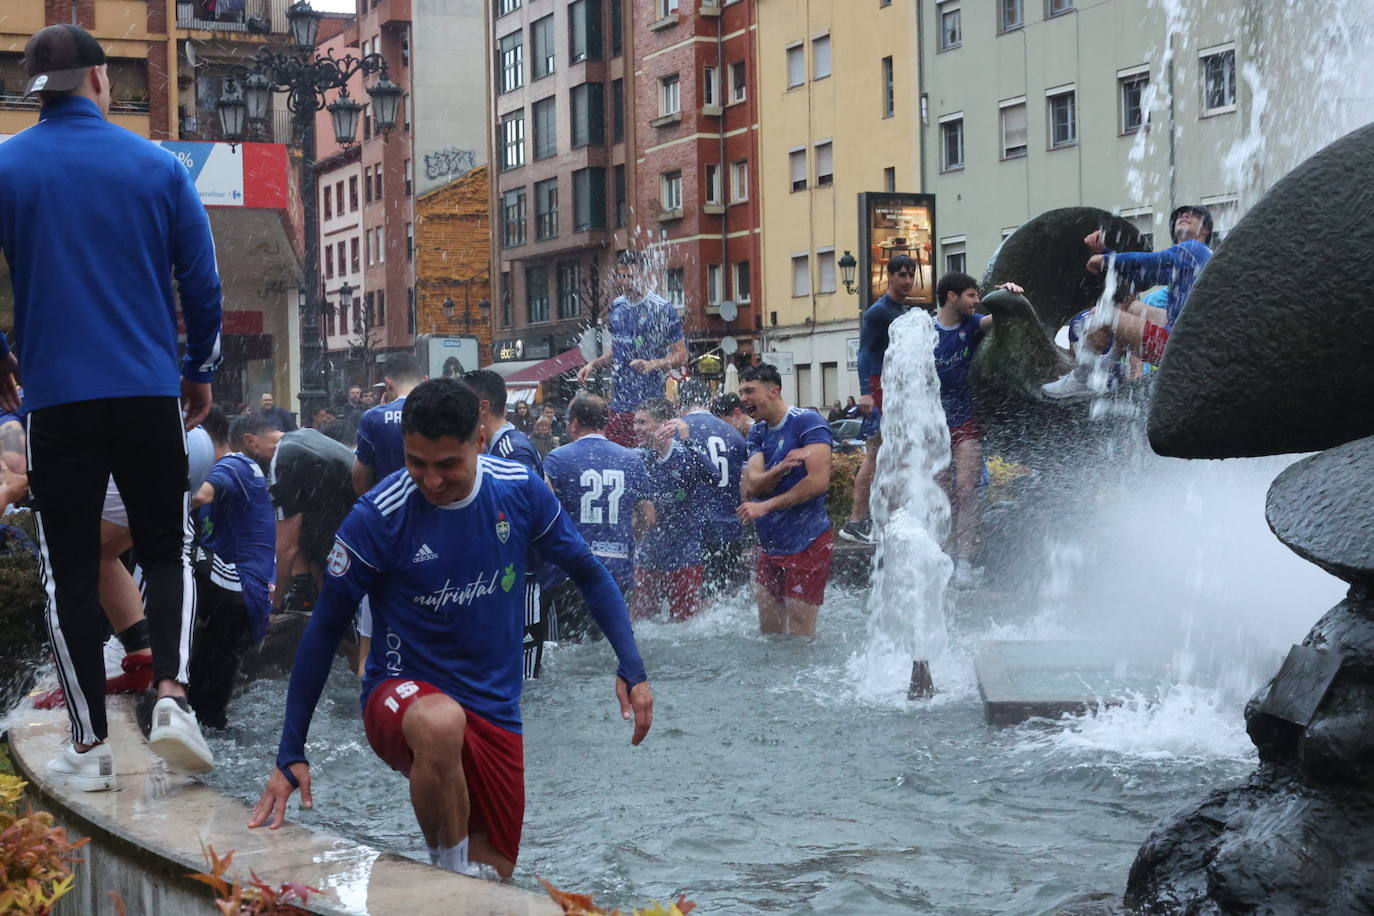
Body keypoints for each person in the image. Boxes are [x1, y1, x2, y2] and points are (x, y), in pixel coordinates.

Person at [246, 379, 653, 880]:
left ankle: (460, 879)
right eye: (417, 463)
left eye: (447, 465)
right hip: (401, 695)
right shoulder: (378, 516)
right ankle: (450, 880)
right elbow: (325, 630)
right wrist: (291, 751)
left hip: (494, 706)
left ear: (479, 441)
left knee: (498, 876)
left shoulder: (520, 491)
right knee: (440, 725)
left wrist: (631, 666)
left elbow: (590, 573)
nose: (431, 481)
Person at [0, 23, 223, 788]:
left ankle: (89, 747)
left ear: (37, 92)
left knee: (69, 569)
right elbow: (203, 284)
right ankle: (173, 697)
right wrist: (199, 369)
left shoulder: (6, 166)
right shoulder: (157, 167)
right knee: (167, 547)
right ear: (102, 83)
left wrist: (2, 359)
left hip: (56, 400)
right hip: (148, 389)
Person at [1042, 206, 1214, 400]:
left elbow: (1152, 261)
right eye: (1180, 215)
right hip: (1184, 343)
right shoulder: (1190, 262)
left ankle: (1084, 377)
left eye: (1194, 215)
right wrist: (1105, 252)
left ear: (1205, 229)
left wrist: (1107, 259)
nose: (1184, 216)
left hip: (1178, 346)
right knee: (1131, 306)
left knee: (1103, 315)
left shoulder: (1197, 249)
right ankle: (1109, 362)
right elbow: (1141, 274)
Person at [930, 273, 1023, 588]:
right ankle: (945, 556)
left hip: (966, 420)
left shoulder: (972, 325)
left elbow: (1002, 319)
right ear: (952, 296)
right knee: (943, 495)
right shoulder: (925, 333)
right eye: (971, 295)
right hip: (934, 425)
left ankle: (965, 562)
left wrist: (1008, 295)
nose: (976, 301)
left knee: (968, 490)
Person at [187, 407, 277, 729]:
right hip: (236, 604)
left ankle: (127, 641)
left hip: (242, 586)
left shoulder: (234, 465)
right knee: (204, 701)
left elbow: (201, 496)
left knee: (172, 546)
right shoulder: (234, 468)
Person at [542, 395, 654, 640]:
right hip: (617, 570)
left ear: (574, 423)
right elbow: (648, 515)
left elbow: (542, 513)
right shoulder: (632, 459)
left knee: (566, 646)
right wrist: (628, 538)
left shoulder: (557, 459)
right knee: (609, 645)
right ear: (605, 423)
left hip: (570, 572)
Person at [463, 370, 549, 678]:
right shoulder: (497, 446)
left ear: (482, 407)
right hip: (506, 577)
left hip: (521, 575)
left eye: (464, 403)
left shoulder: (513, 449)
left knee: (524, 680)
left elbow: (528, 514)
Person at [737, 365, 834, 636]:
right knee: (769, 634)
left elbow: (817, 482)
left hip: (807, 543)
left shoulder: (807, 423)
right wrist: (781, 469)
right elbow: (751, 486)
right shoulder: (758, 432)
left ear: (773, 391)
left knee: (800, 636)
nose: (743, 398)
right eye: (741, 392)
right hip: (770, 546)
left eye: (749, 391)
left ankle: (805, 680)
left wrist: (765, 505)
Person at [236, 416, 356, 613]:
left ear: (250, 441)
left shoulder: (282, 458)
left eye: (244, 458)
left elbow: (286, 546)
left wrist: (273, 602)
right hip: (358, 528)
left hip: (348, 546)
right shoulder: (305, 435)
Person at [840, 254, 919, 546]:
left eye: (911, 275)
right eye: (902, 274)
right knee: (875, 455)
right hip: (878, 388)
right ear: (889, 276)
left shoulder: (903, 310)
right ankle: (855, 521)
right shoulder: (878, 311)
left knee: (895, 456)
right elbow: (863, 352)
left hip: (893, 389)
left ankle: (886, 518)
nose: (908, 280)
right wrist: (865, 392)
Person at [576, 250, 688, 447]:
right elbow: (615, 351)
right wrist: (593, 364)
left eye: (630, 276)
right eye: (621, 276)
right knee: (618, 460)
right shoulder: (617, 306)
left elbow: (681, 355)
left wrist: (652, 364)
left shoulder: (662, 309)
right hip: (618, 404)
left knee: (647, 462)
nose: (624, 281)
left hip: (649, 406)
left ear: (644, 275)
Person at [631, 398, 716, 622]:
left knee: (684, 624)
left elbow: (714, 477)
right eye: (635, 422)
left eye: (642, 422)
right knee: (641, 622)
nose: (635, 428)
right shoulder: (637, 458)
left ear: (663, 424)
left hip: (685, 553)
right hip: (649, 554)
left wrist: (687, 438)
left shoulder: (685, 454)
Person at [672, 380, 749, 596]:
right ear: (709, 401)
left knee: (689, 600)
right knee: (718, 596)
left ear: (680, 402)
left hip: (691, 531)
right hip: (729, 528)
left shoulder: (676, 431)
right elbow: (745, 485)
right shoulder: (734, 434)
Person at [353, 354, 426, 496]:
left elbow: (359, 477)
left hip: (390, 505)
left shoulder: (373, 418)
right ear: (425, 380)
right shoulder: (442, 412)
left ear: (388, 383)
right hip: (436, 505)